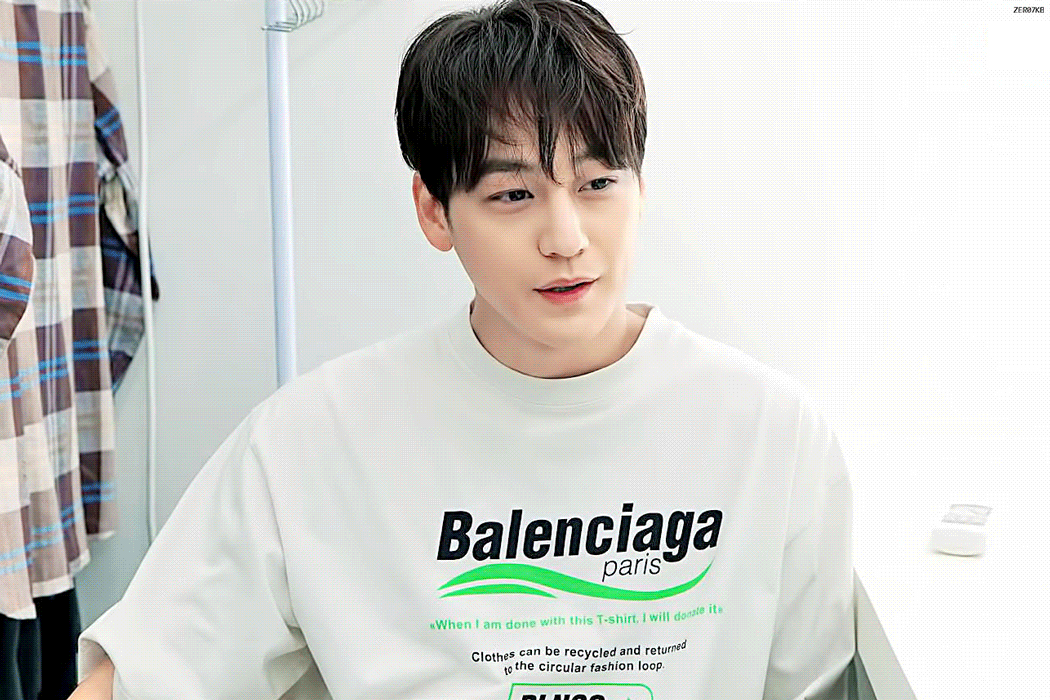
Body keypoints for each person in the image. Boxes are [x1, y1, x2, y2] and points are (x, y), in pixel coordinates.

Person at [70, 0, 856, 698]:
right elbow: (141, 678)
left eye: (596, 184)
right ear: (434, 210)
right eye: (513, 194)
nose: (565, 238)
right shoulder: (315, 443)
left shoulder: (770, 437)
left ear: (640, 188)